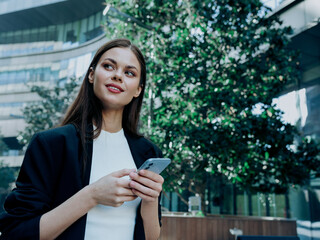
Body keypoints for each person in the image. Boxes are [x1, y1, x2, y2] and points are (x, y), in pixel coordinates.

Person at [0, 39, 164, 240]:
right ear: (92, 75)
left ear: (138, 89)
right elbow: (16, 232)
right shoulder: (52, 144)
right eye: (108, 66)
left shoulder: (148, 152)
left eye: (129, 73)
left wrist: (150, 200)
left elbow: (152, 237)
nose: (117, 76)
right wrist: (92, 195)